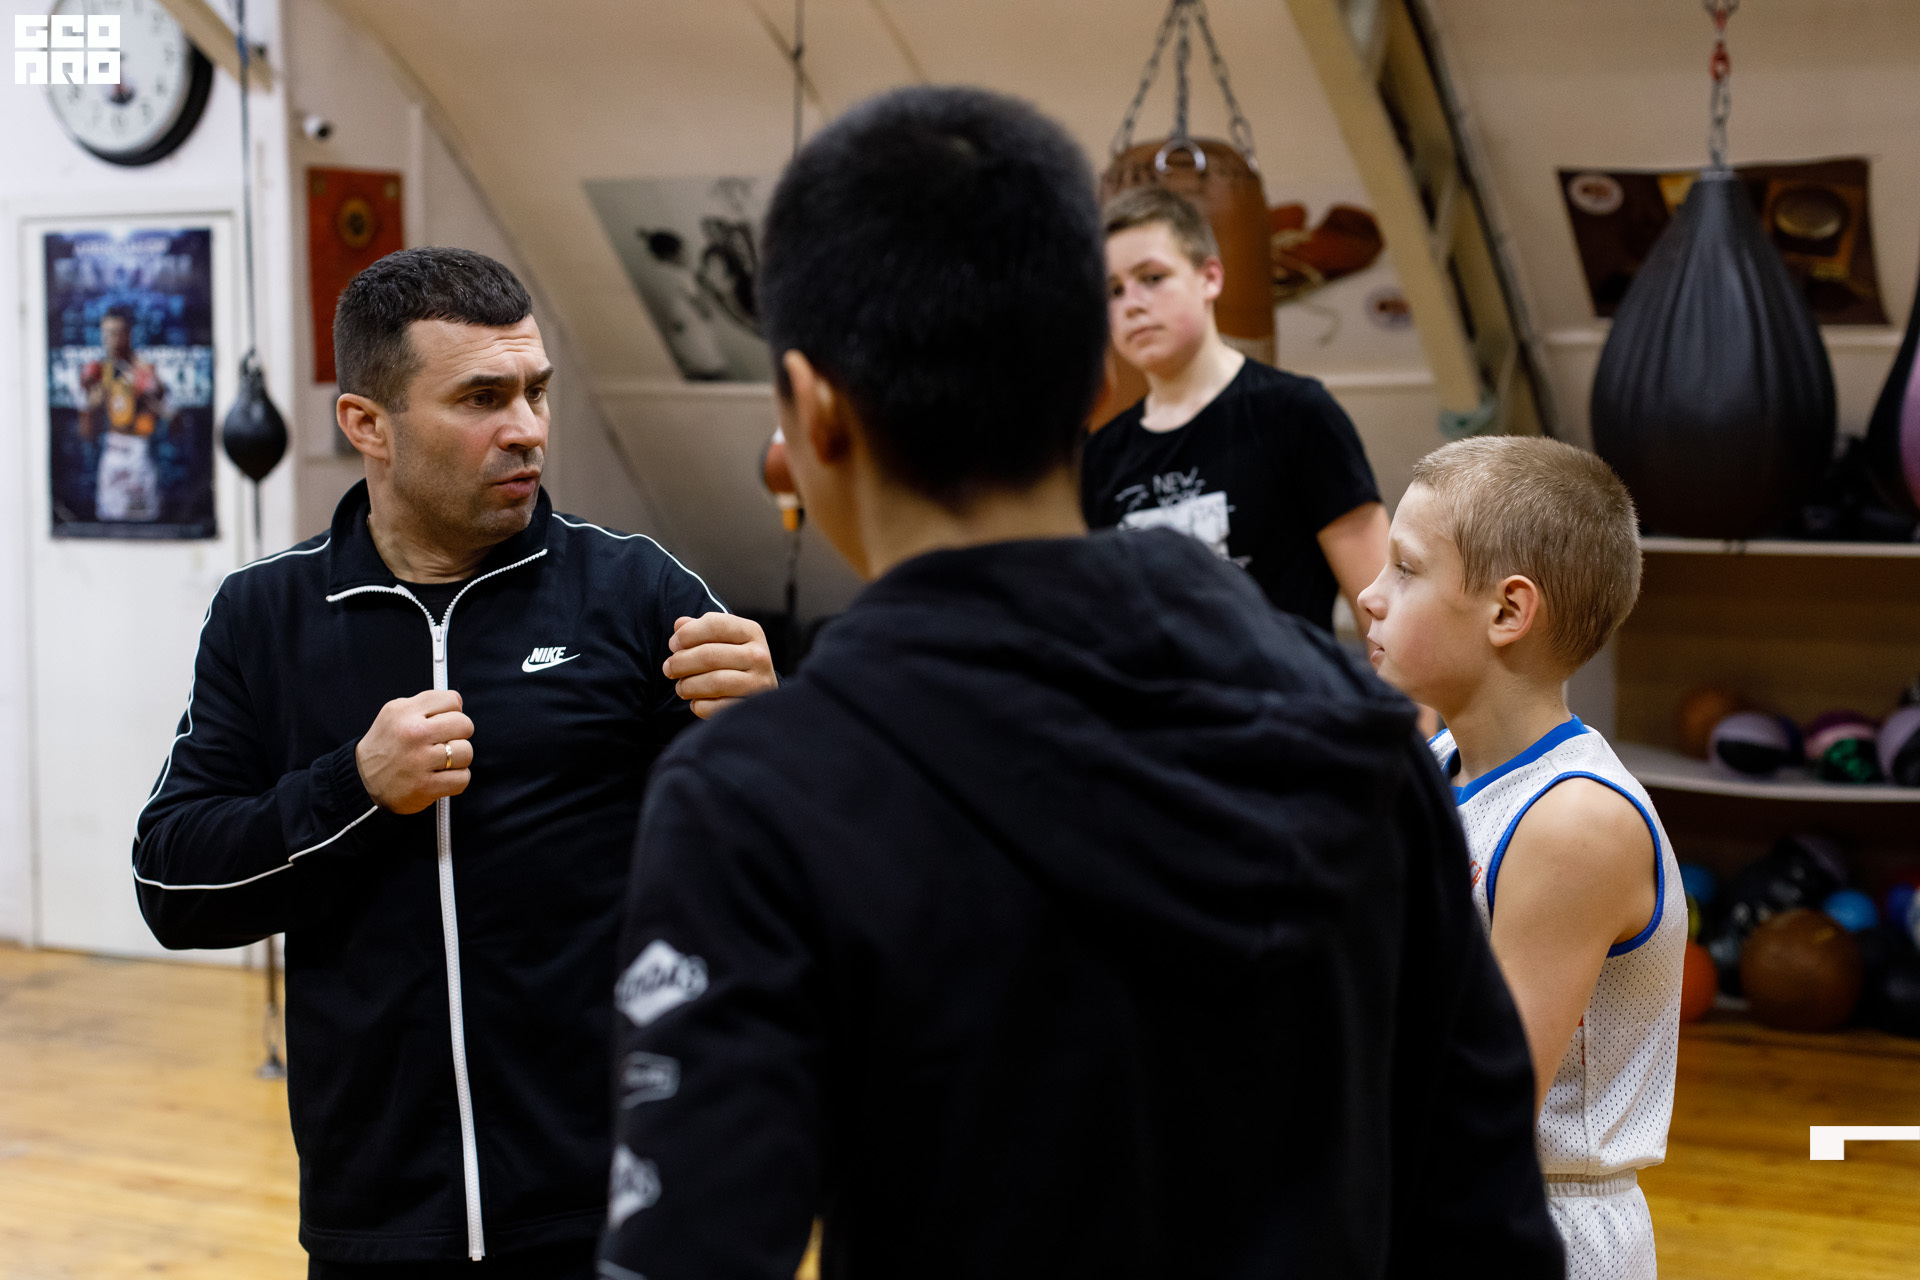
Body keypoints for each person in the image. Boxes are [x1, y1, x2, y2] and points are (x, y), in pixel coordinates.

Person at [599, 85, 1562, 1280]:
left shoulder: (752, 798)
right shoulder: (1357, 732)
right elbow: (1484, 1220)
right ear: (1094, 381)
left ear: (814, 414)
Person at [133, 246, 778, 1278]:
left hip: (610, 1196)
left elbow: (770, 873)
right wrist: (353, 788)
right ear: (367, 425)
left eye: (536, 391)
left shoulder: (634, 592)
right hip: (380, 1210)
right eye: (483, 397)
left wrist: (772, 731)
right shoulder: (268, 615)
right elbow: (173, 884)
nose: (526, 428)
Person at [1357, 436, 1685, 1279]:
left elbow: (1479, 1103)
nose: (1369, 595)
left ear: (1509, 611)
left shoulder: (1574, 821)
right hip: (1437, 1194)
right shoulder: (1438, 764)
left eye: (1406, 569)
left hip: (1539, 1223)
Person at [1082, 186, 1388, 636]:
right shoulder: (1101, 456)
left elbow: (1384, 611)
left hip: (1282, 681)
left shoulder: (1295, 413)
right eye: (1113, 290)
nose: (1132, 304)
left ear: (1209, 277)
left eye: (1152, 278)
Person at [80, 304, 170, 522]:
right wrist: (92, 404)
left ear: (128, 334)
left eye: (116, 333)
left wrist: (147, 393)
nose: (110, 340)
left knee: (144, 521)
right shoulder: (98, 372)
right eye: (106, 334)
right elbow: (86, 432)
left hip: (139, 453)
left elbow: (170, 417)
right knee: (110, 522)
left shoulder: (144, 369)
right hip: (112, 452)